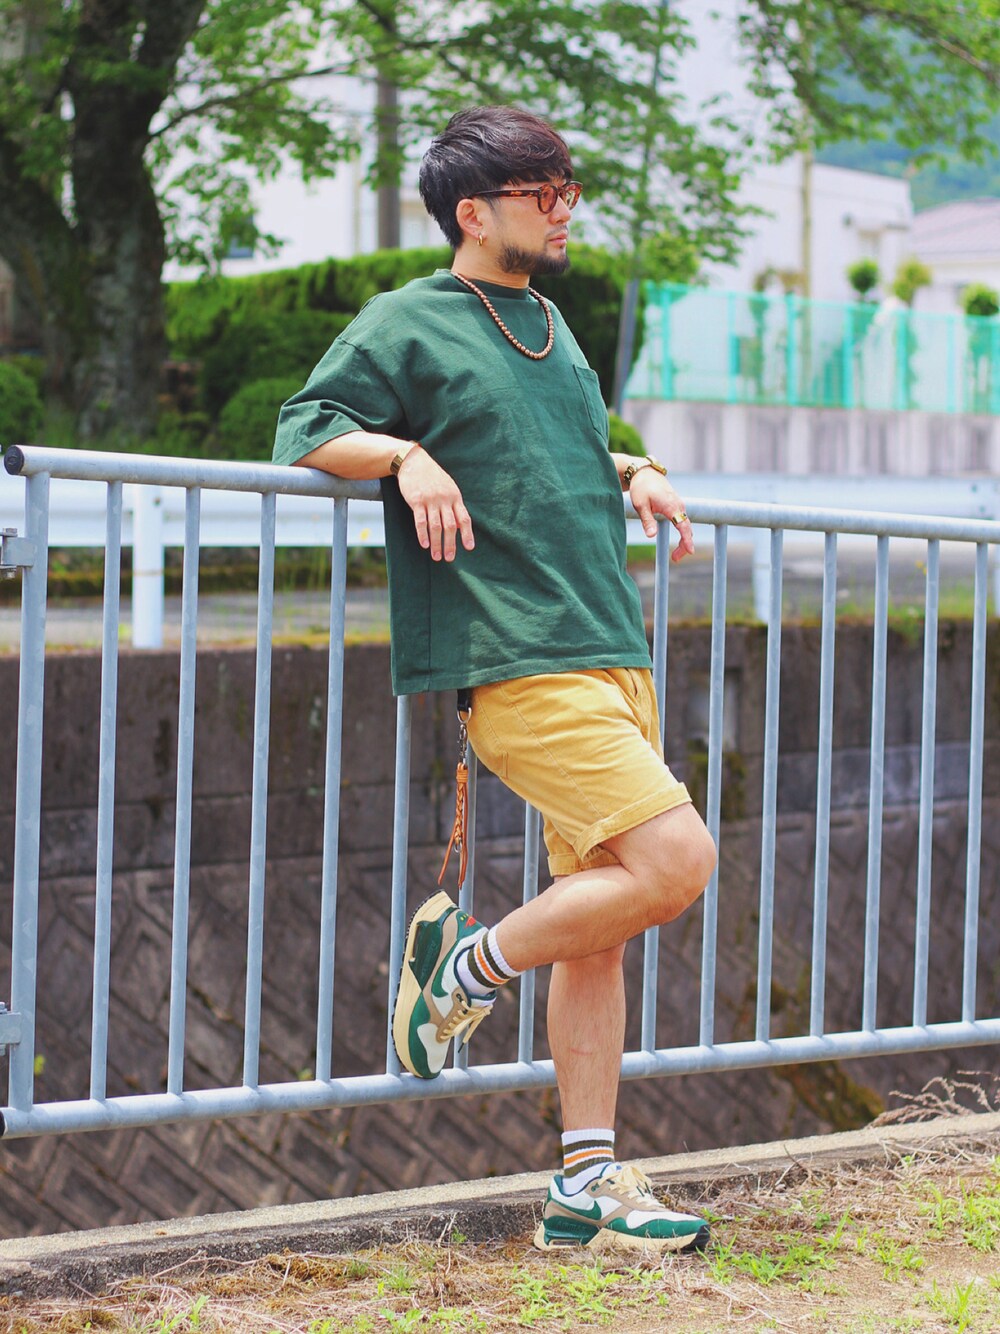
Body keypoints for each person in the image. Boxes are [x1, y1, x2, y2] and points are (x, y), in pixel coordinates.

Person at [273, 105, 717, 1255]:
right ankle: (466, 963)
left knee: (600, 925)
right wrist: (403, 453)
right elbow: (306, 426)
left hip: (608, 644)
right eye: (543, 191)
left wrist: (630, 463)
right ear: (474, 211)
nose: (565, 208)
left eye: (569, 188)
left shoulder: (551, 326)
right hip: (518, 657)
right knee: (677, 860)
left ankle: (585, 1182)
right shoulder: (408, 317)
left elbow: (535, 448)